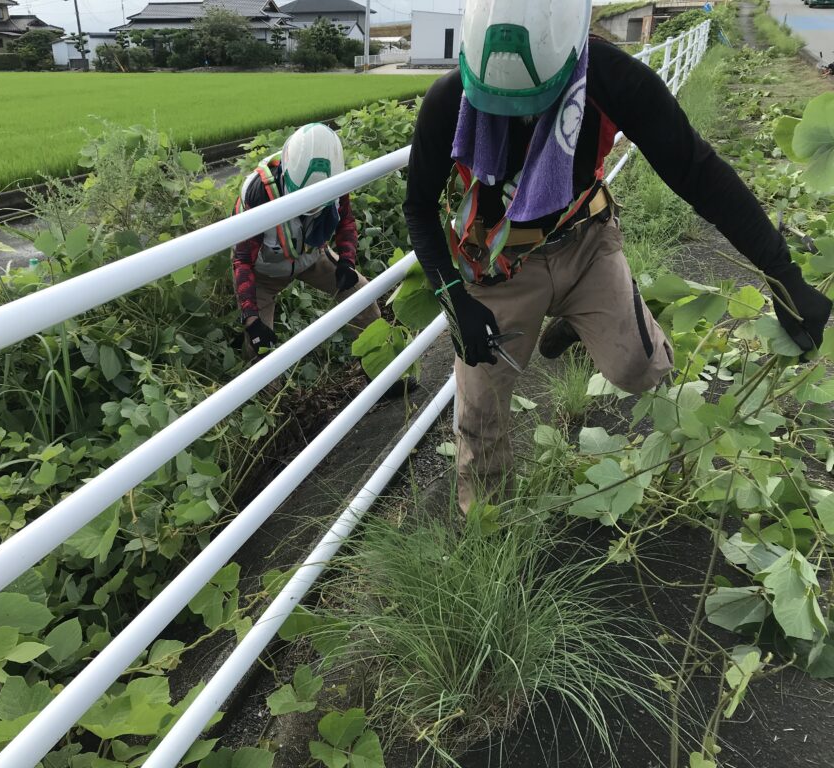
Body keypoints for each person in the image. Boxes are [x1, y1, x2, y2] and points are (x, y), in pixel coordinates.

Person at [403, 0, 832, 512]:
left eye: (537, 101)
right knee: (480, 411)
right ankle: (489, 528)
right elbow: (418, 209)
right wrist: (455, 299)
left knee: (640, 369)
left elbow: (697, 172)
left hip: (584, 240)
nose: (520, 116)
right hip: (499, 267)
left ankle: (578, 322)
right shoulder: (449, 98)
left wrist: (783, 276)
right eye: (500, 103)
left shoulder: (611, 79)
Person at [232, 123, 381, 360]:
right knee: (260, 347)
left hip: (312, 257)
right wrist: (251, 319)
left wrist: (347, 262)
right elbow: (242, 260)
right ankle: (259, 384)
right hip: (264, 272)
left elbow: (346, 221)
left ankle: (385, 374)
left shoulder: (335, 178)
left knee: (362, 297)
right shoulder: (260, 194)